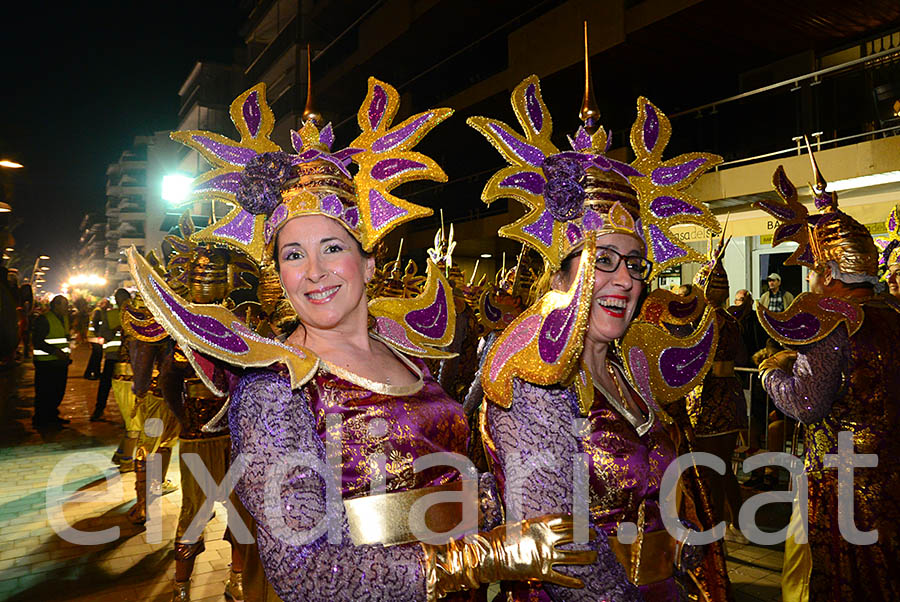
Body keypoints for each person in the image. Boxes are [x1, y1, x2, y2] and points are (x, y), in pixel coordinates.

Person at [132, 82, 595, 602]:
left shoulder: (409, 352)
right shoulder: (274, 388)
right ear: (277, 273)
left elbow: (441, 482)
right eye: (292, 255)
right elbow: (305, 573)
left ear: (369, 260)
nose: (314, 273)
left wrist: (505, 503)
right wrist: (485, 556)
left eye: (332, 248)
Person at [469, 72, 726, 600]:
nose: (624, 279)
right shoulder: (531, 382)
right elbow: (561, 550)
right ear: (561, 277)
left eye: (634, 264)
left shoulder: (631, 368)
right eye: (601, 261)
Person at [756, 155, 900, 601]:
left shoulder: (834, 320)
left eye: (814, 269)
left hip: (840, 486)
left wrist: (770, 371)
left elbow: (805, 402)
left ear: (831, 272)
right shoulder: (893, 314)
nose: (812, 279)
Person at [686, 237, 749, 545]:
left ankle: (718, 528)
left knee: (710, 470)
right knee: (723, 469)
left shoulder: (705, 322)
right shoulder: (729, 320)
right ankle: (737, 524)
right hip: (730, 395)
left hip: (709, 399)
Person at [31, 295, 71, 428]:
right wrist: (55, 351)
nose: (67, 308)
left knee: (57, 391)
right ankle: (42, 420)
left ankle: (52, 416)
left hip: (60, 362)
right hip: (46, 363)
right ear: (56, 306)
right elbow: (37, 341)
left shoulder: (64, 319)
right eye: (64, 305)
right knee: (45, 392)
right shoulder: (44, 319)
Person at [90, 288, 131, 421]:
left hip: (131, 357)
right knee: (105, 383)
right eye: (119, 300)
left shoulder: (136, 314)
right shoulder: (110, 315)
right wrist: (114, 331)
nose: (122, 303)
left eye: (124, 299)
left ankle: (131, 412)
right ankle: (99, 408)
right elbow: (104, 333)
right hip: (113, 356)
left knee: (131, 386)